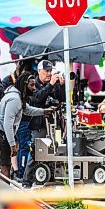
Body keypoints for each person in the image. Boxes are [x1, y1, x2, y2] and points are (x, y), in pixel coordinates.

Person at [0, 72, 53, 178]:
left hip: (1, 133)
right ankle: (4, 192)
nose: (34, 88)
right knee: (5, 167)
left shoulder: (19, 96)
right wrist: (12, 145)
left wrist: (44, 111)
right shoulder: (15, 99)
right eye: (31, 85)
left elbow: (27, 110)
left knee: (6, 165)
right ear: (25, 85)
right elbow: (8, 124)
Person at [22, 59, 65, 187]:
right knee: (36, 153)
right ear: (39, 71)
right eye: (46, 71)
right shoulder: (32, 83)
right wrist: (51, 84)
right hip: (39, 125)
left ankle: (53, 179)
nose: (49, 73)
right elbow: (37, 98)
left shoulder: (53, 83)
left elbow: (61, 100)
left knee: (56, 150)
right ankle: (27, 182)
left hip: (54, 123)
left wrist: (61, 86)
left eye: (50, 71)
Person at [1, 59, 34, 180]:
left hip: (23, 118)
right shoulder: (8, 81)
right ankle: (19, 172)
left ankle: (17, 172)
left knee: (20, 146)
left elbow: (29, 104)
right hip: (14, 120)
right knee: (18, 146)